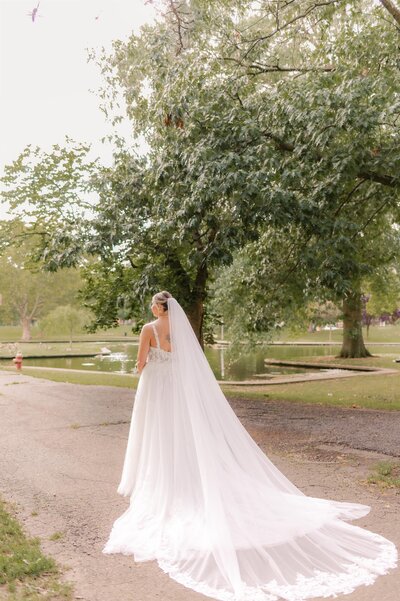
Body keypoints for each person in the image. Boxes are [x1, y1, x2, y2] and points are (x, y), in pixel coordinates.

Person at [103, 291, 397, 601]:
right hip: (178, 391)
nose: (150, 306)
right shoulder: (180, 331)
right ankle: (185, 477)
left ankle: (165, 481)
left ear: (158, 308)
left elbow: (140, 363)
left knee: (160, 435)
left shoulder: (148, 329)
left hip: (157, 390)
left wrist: (143, 368)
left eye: (152, 302)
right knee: (182, 435)